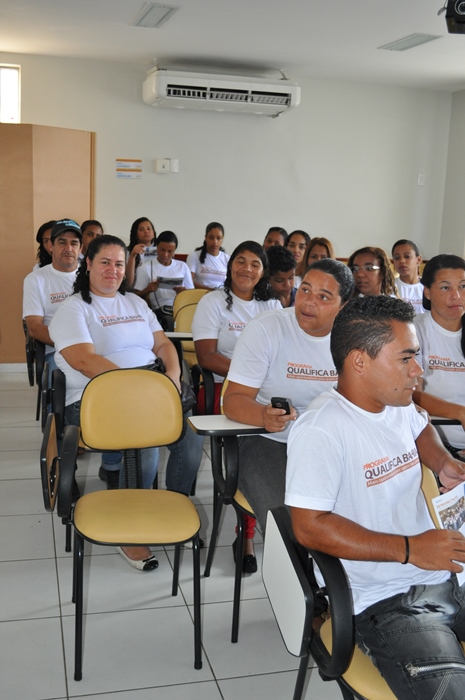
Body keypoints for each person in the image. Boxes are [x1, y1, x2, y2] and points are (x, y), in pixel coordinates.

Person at [286, 295, 465, 699]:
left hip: (445, 573)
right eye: (406, 358)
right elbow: (308, 527)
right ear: (359, 362)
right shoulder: (322, 429)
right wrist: (410, 549)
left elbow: (420, 429)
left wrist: (441, 462)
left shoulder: (395, 399)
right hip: (387, 600)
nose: (418, 370)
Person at [49, 235, 204, 571]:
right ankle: (130, 532)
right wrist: (140, 390)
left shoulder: (134, 302)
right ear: (88, 265)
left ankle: (169, 506)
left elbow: (164, 346)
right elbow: (85, 361)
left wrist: (172, 377)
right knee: (144, 442)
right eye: (105, 262)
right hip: (95, 398)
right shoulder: (74, 308)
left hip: (150, 389)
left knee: (192, 438)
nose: (113, 270)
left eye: (119, 264)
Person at [223, 258, 355, 534]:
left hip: (331, 443)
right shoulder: (267, 328)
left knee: (354, 513)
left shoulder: (354, 338)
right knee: (288, 526)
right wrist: (263, 415)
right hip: (266, 439)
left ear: (343, 306)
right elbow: (233, 400)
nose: (308, 302)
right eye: (305, 290)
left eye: (323, 296)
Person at [192, 241, 280, 572]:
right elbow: (206, 357)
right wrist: (251, 375)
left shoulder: (272, 304)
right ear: (230, 266)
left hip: (267, 389)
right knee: (249, 452)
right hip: (227, 388)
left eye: (255, 263)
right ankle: (246, 534)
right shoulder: (213, 302)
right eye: (240, 261)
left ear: (263, 271)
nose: (247, 268)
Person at [413, 254, 465, 459]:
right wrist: (459, 412)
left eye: (463, 286)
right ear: (427, 292)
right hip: (435, 445)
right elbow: (412, 394)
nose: (456, 296)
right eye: (445, 288)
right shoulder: (414, 329)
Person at [23, 218, 82, 373]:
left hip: (95, 347)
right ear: (50, 246)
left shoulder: (92, 276)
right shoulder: (35, 279)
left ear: (81, 248)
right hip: (57, 350)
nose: (69, 248)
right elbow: (34, 328)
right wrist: (71, 343)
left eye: (74, 243)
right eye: (62, 242)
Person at [134, 230, 194, 329]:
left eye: (170, 251)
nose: (165, 255)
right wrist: (147, 290)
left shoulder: (182, 266)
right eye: (162, 250)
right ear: (156, 247)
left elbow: (191, 295)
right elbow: (135, 296)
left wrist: (183, 293)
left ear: (174, 251)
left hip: (180, 310)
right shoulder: (145, 268)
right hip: (158, 312)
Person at [186, 222, 229, 290]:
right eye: (211, 238)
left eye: (218, 238)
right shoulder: (194, 256)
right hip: (200, 294)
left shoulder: (227, 258)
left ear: (222, 238)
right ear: (206, 237)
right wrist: (211, 291)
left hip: (221, 295)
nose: (215, 242)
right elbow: (189, 282)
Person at [392, 238, 424, 314]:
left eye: (407, 256)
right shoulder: (389, 288)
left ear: (418, 260)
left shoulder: (429, 287)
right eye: (397, 258)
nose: (402, 261)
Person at [126, 216, 157, 287]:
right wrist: (132, 256)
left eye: (148, 229)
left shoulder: (160, 250)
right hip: (135, 290)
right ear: (135, 234)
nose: (146, 231)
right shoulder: (127, 252)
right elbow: (128, 283)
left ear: (153, 233)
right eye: (141, 229)